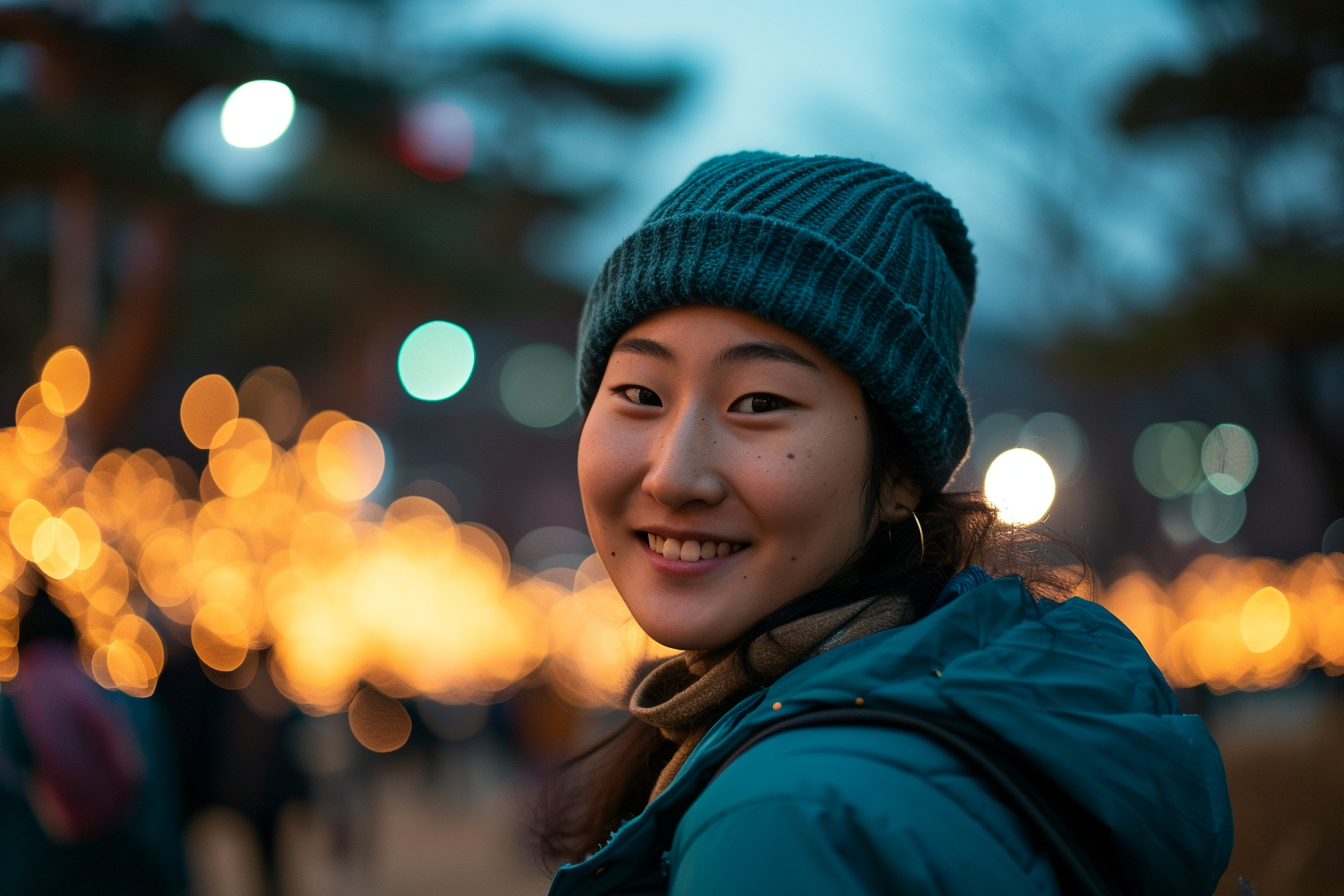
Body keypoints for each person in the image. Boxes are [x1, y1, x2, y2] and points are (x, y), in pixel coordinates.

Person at [538, 151, 1233, 895]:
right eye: (640, 393)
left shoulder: (791, 819)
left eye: (760, 403)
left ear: (901, 476)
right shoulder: (943, 710)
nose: (675, 474)